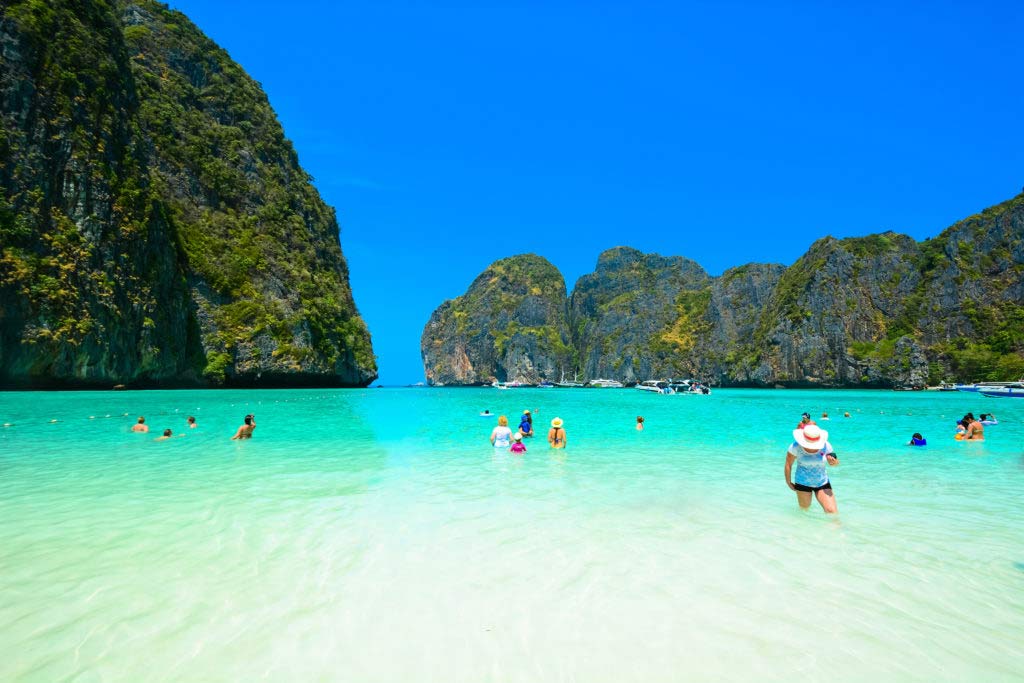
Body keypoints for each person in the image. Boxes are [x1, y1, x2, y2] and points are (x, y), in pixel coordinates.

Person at [785, 424, 839, 514]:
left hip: (822, 482)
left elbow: (836, 462)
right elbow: (788, 464)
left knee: (832, 512)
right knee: (804, 512)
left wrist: (833, 462)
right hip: (802, 482)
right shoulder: (795, 446)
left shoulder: (826, 445)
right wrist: (788, 482)